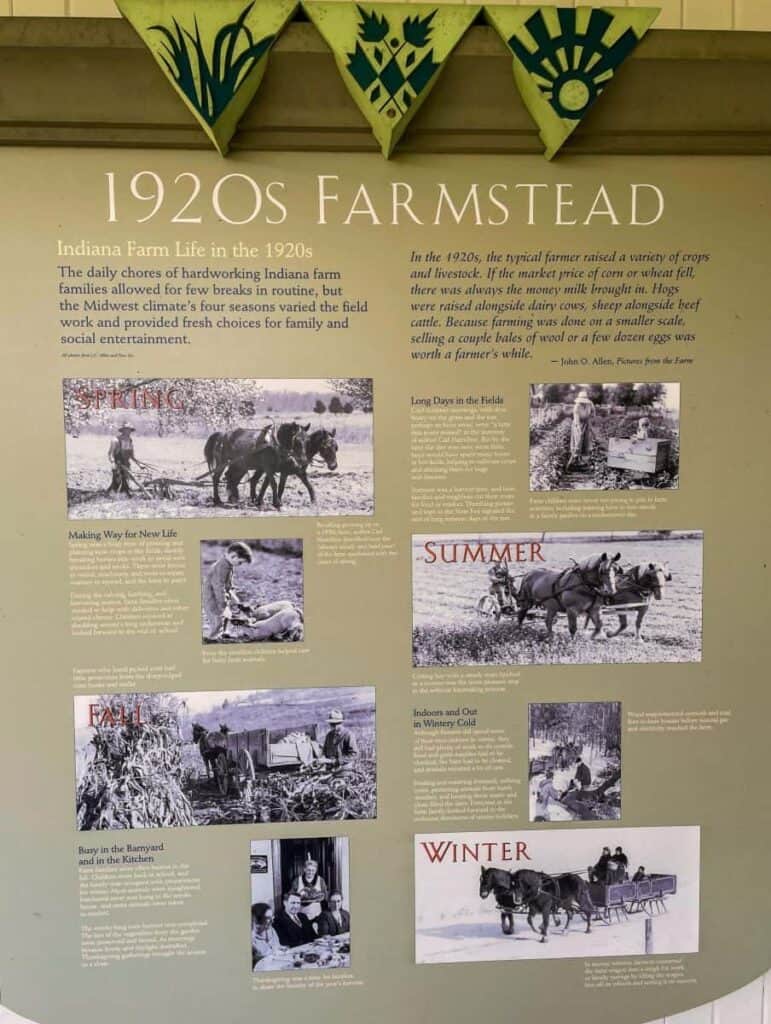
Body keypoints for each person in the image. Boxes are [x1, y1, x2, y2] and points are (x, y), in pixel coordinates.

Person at [202, 542, 253, 642]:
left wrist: (237, 602)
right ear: (233, 555)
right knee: (218, 619)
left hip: (221, 595)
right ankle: (211, 639)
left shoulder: (228, 565)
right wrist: (223, 604)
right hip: (213, 598)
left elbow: (227, 586)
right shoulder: (222, 566)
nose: (240, 565)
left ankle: (224, 633)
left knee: (226, 616)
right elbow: (218, 586)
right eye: (240, 562)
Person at [290, 855, 329, 923]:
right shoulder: (297, 880)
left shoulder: (320, 880)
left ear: (316, 870)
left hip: (317, 913)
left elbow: (325, 895)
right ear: (304, 869)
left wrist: (318, 897)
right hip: (301, 913)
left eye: (313, 870)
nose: (311, 872)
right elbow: (291, 896)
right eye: (308, 870)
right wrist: (299, 895)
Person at [108, 422, 140, 495]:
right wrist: (113, 462)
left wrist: (139, 464)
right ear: (123, 430)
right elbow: (110, 453)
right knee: (117, 480)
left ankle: (124, 493)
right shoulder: (115, 440)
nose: (128, 432)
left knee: (125, 480)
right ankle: (113, 494)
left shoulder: (130, 440)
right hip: (118, 463)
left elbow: (131, 455)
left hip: (126, 464)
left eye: (129, 430)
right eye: (126, 430)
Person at [567, 388, 596, 468]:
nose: (583, 403)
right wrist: (579, 430)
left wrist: (591, 419)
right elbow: (576, 420)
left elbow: (593, 412)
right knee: (578, 441)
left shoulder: (590, 404)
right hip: (578, 424)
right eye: (581, 401)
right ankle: (575, 459)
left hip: (586, 423)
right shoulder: (576, 407)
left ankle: (582, 459)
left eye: (584, 401)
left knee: (586, 441)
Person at [251, 903, 283, 967]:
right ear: (257, 920)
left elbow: (278, 947)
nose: (272, 921)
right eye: (268, 918)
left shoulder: (271, 930)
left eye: (272, 917)